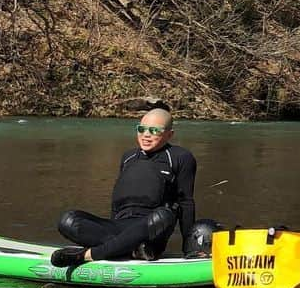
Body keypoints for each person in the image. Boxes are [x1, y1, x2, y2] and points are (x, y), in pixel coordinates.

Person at [51, 104, 196, 268]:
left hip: (151, 229)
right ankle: (129, 249)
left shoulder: (181, 157)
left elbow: (186, 203)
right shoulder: (128, 157)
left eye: (155, 131)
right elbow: (118, 199)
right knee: (68, 220)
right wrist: (118, 236)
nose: (146, 135)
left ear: (169, 134)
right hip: (119, 227)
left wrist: (188, 247)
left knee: (166, 214)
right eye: (141, 129)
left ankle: (88, 255)